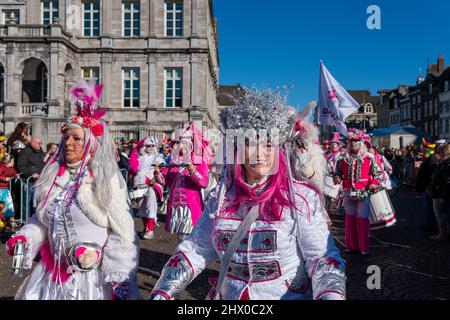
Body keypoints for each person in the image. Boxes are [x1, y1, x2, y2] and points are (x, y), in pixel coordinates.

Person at [150, 88, 345, 300]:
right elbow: (195, 249)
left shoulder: (300, 198)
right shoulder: (222, 197)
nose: (260, 154)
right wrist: (162, 292)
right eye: (250, 144)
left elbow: (322, 258)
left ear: (279, 150)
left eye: (268, 145)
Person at [5, 79, 140, 300]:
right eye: (66, 137)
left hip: (90, 283)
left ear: (91, 144)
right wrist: (26, 237)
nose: (68, 143)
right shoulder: (55, 178)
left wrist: (117, 273)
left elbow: (124, 234)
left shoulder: (106, 181)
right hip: (51, 277)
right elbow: (43, 221)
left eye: (76, 138)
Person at [162, 122, 213, 242]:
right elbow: (166, 181)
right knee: (181, 238)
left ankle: (185, 259)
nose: (181, 147)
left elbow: (204, 182)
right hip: (176, 207)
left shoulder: (198, 160)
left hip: (190, 207)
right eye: (180, 144)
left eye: (184, 144)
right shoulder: (174, 162)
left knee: (188, 238)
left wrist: (193, 171)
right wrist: (158, 173)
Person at [333, 129, 382, 255]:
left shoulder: (369, 158)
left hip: (363, 192)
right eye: (351, 140)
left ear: (360, 141)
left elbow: (378, 174)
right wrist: (337, 178)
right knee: (349, 219)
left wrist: (373, 183)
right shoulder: (342, 158)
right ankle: (351, 246)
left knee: (362, 219)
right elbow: (337, 173)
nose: (353, 142)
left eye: (355, 140)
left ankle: (363, 247)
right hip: (348, 193)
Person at [129, 136, 165, 240]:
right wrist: (132, 182)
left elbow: (162, 168)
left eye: (153, 146)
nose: (150, 148)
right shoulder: (139, 157)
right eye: (148, 146)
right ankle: (146, 228)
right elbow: (133, 171)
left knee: (151, 207)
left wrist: (156, 176)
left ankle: (151, 230)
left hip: (151, 185)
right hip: (139, 186)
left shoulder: (157, 156)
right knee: (142, 208)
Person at [16, 137, 45, 217]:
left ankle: (34, 221)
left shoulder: (39, 152)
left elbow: (42, 164)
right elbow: (20, 166)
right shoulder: (25, 152)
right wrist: (31, 173)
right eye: (39, 143)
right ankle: (25, 220)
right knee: (26, 202)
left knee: (35, 203)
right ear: (33, 143)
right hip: (29, 181)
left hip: (38, 181)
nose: (40, 145)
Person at [427, 144, 450, 241]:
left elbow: (447, 181)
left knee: (441, 214)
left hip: (440, 193)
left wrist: (442, 196)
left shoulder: (446, 164)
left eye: (439, 152)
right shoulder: (443, 163)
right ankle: (444, 233)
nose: (438, 154)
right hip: (439, 192)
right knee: (442, 214)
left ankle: (442, 234)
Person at [416, 138, 439, 232]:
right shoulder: (428, 158)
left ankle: (432, 226)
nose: (422, 150)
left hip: (428, 188)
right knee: (427, 207)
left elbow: (431, 175)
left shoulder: (432, 159)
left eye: (424, 148)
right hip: (425, 187)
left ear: (428, 150)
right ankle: (429, 224)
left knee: (430, 207)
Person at [0, 154, 19, 228]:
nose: (13, 163)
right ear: (7, 162)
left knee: (9, 206)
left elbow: (13, 173)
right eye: (12, 161)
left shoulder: (11, 168)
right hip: (0, 190)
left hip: (5, 190)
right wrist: (4, 179)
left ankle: (12, 222)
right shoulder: (1, 167)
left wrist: (16, 175)